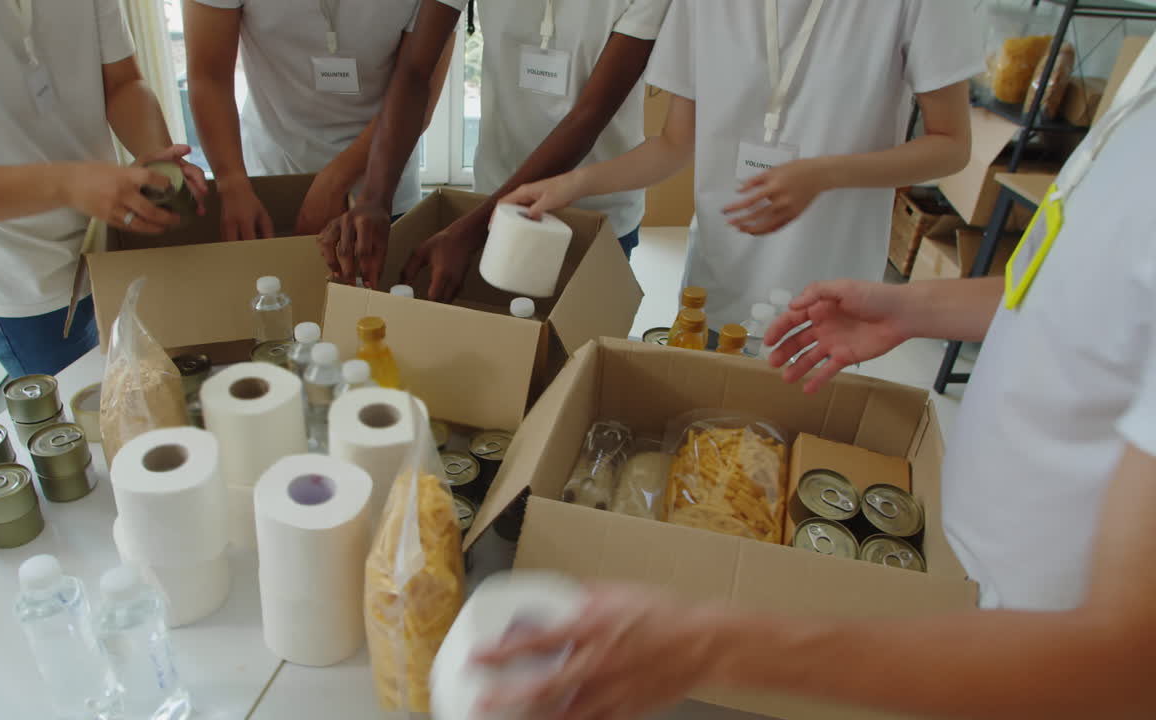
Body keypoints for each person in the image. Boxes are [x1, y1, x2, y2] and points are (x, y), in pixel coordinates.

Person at [473, 37, 1156, 720]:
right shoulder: (1143, 85)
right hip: (973, 579)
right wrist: (913, 307)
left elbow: (1129, 661)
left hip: (1039, 648)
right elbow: (1070, 302)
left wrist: (718, 646)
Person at [503, 0, 980, 330]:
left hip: (834, 296)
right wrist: (573, 183)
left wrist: (825, 174)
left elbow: (951, 144)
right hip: (716, 281)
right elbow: (673, 145)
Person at [0, 0, 206, 378]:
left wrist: (158, 160)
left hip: (106, 234)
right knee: (83, 420)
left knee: (146, 386)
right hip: (9, 270)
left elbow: (122, 81)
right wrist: (68, 184)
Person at [320, 0, 673, 300]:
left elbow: (589, 115)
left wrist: (471, 229)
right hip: (495, 189)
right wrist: (375, 198)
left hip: (598, 209)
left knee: (579, 357)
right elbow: (415, 70)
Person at [184, 0, 453, 243]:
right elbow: (209, 75)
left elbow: (418, 85)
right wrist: (231, 180)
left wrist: (336, 179)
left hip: (384, 177)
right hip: (270, 177)